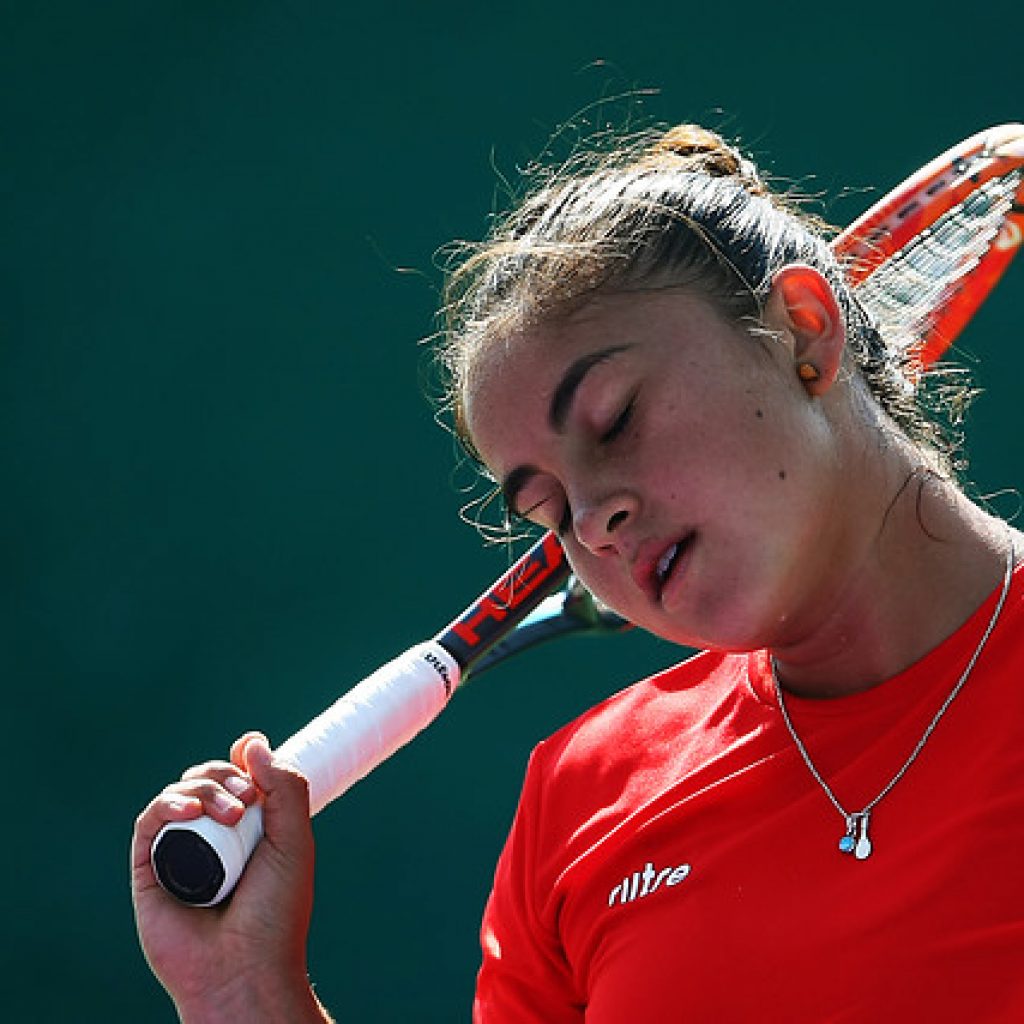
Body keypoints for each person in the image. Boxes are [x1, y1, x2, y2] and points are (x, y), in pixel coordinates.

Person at [132, 125, 1024, 1022]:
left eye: (614, 420)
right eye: (549, 512)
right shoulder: (582, 795)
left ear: (804, 327)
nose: (594, 519)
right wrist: (246, 995)